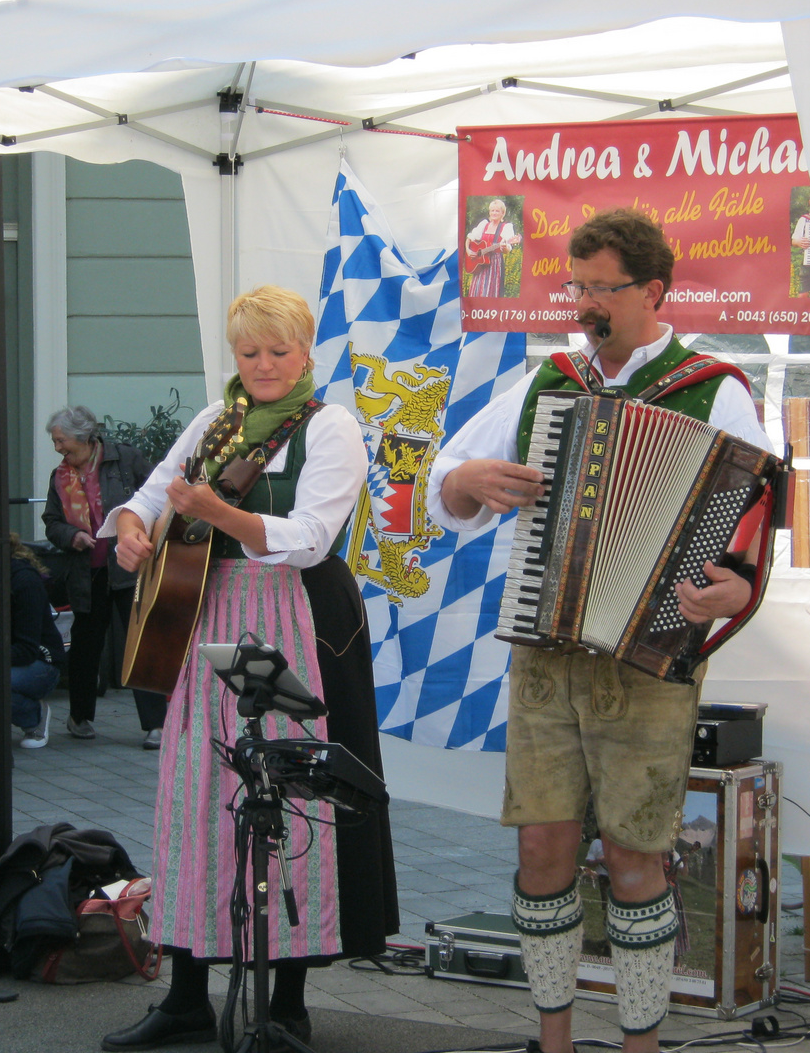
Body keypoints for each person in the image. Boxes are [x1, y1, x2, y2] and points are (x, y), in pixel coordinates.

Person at [426, 208, 770, 1053]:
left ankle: (641, 1043)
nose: (582, 303)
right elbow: (446, 486)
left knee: (634, 854)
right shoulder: (551, 383)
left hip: (650, 657)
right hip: (547, 648)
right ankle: (554, 1041)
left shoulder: (713, 386)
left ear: (652, 291)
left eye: (600, 289)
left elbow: (757, 513)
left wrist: (736, 589)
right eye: (575, 285)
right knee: (542, 844)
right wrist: (468, 477)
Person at [99, 285, 399, 1051]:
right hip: (206, 616)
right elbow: (153, 491)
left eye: (278, 350)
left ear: (305, 351)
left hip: (295, 612)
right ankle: (188, 995)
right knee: (200, 796)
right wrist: (134, 527)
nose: (263, 365)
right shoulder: (215, 421)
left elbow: (310, 536)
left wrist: (217, 513)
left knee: (290, 796)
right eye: (248, 352)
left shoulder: (331, 427)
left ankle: (286, 1005)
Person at [41, 406, 160, 746]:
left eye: (61, 440)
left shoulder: (126, 460)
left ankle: (155, 724)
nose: (58, 448)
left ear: (83, 437)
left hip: (129, 567)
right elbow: (52, 521)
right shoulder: (60, 476)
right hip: (87, 572)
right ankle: (79, 718)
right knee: (84, 647)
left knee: (139, 644)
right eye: (55, 441)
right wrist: (71, 536)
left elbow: (157, 502)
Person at [8, 534, 67, 748]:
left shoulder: (24, 582)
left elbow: (27, 648)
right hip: (14, 655)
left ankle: (34, 717)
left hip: (42, 660)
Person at [466, 197, 522, 297]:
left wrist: (505, 247)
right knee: (476, 292)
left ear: (502, 213)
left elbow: (507, 250)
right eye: (492, 210)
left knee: (488, 293)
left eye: (497, 211)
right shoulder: (484, 224)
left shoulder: (506, 227)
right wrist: (468, 250)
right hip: (479, 264)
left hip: (494, 265)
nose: (494, 213)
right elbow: (469, 238)